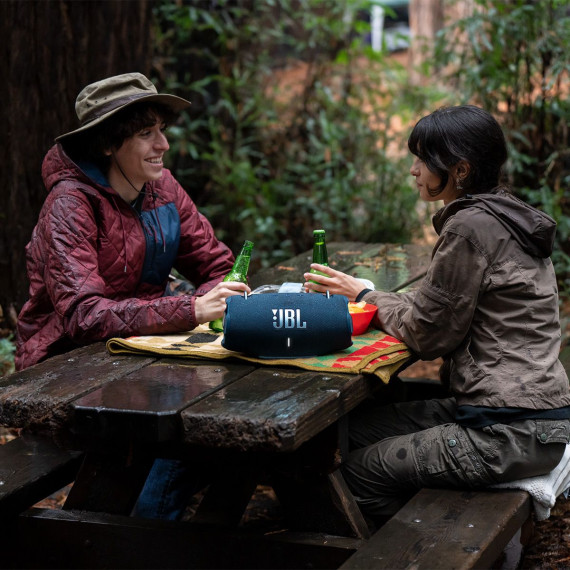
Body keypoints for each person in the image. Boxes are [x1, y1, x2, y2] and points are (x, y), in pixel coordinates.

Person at [303, 105, 570, 523]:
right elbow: (435, 308)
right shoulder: (504, 216)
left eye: (424, 159)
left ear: (460, 169)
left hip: (507, 429)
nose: (414, 170)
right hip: (522, 414)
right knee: (347, 434)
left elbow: (427, 335)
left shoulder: (470, 228)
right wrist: (363, 292)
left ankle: (411, 544)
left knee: (356, 474)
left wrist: (367, 296)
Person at [15, 72, 250, 519]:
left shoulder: (163, 188)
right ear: (108, 143)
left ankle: (163, 529)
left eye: (162, 129)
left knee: (231, 409)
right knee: (190, 434)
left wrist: (211, 303)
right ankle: (141, 537)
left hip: (141, 355)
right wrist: (190, 309)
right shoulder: (70, 205)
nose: (163, 144)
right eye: (146, 133)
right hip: (67, 369)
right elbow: (84, 316)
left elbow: (217, 266)